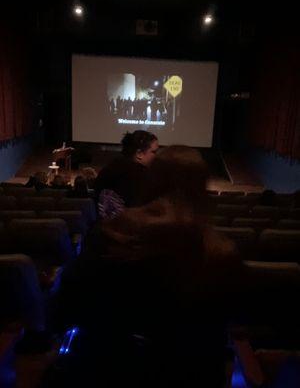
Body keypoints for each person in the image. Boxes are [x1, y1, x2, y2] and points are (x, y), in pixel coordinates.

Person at [58, 146, 240, 387]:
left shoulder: (111, 233)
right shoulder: (220, 252)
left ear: (150, 180)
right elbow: (220, 333)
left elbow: (67, 307)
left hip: (108, 369)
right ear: (201, 187)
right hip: (187, 374)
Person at [94, 130, 159, 218]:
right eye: (154, 152)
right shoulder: (139, 176)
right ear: (139, 154)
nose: (157, 156)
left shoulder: (113, 165)